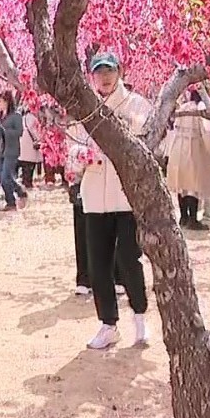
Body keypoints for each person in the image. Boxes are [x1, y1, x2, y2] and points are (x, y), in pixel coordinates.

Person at [68, 53, 152, 350]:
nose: (104, 77)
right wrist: (81, 157)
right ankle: (108, 324)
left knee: (130, 260)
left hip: (126, 197)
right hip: (94, 199)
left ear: (120, 72)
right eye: (99, 72)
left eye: (110, 71)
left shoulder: (138, 107)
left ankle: (140, 317)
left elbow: (148, 146)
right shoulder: (85, 111)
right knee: (99, 264)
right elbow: (72, 153)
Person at [166, 90, 210, 230]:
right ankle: (193, 219)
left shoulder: (183, 107)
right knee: (193, 186)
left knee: (182, 185)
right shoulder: (200, 109)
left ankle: (183, 217)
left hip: (178, 148)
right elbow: (206, 131)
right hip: (194, 148)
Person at [0, 90, 26, 212]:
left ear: (7, 102)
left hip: (11, 151)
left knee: (5, 177)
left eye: (0, 101)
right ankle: (12, 200)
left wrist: (6, 131)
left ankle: (17, 193)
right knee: (2, 179)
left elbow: (19, 132)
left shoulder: (16, 116)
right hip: (0, 151)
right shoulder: (0, 116)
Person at [18, 104, 44, 189]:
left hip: (23, 142)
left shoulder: (23, 117)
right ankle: (28, 182)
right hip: (30, 143)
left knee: (25, 163)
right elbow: (35, 131)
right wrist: (39, 139)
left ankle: (25, 180)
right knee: (30, 164)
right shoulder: (34, 118)